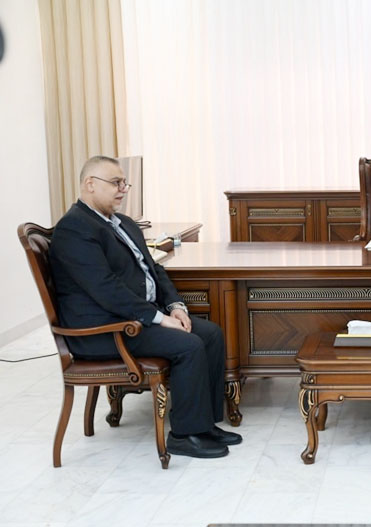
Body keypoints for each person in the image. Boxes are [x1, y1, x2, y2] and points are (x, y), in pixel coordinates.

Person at [49, 155, 242, 459]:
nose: (123, 189)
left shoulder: (123, 223)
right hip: (103, 330)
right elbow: (105, 289)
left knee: (211, 334)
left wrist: (175, 306)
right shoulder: (74, 228)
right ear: (90, 184)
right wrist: (158, 318)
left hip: (132, 320)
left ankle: (204, 424)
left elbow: (154, 269)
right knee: (189, 345)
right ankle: (184, 435)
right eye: (116, 183)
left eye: (124, 183)